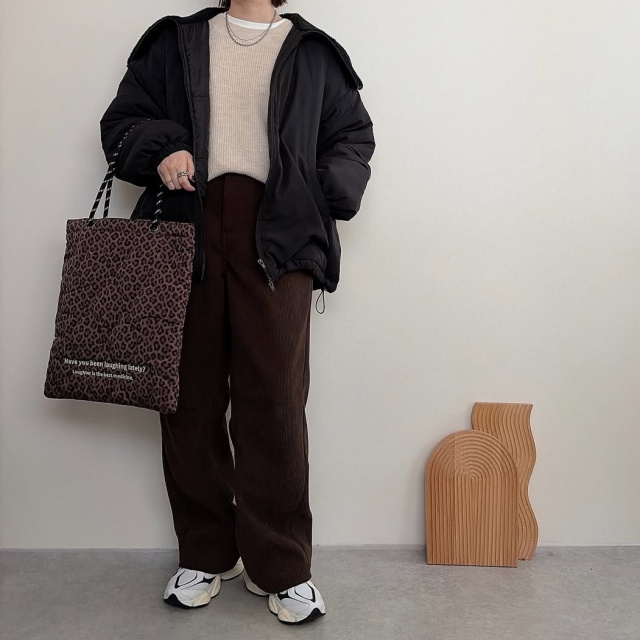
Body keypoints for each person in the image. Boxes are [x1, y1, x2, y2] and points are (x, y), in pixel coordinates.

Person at [99, 0, 375, 625]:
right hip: (186, 228)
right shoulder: (176, 41)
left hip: (278, 236)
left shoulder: (314, 53)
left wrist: (318, 189)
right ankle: (205, 553)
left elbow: (352, 137)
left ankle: (282, 567)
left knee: (274, 401)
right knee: (187, 400)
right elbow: (122, 120)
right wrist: (163, 147)